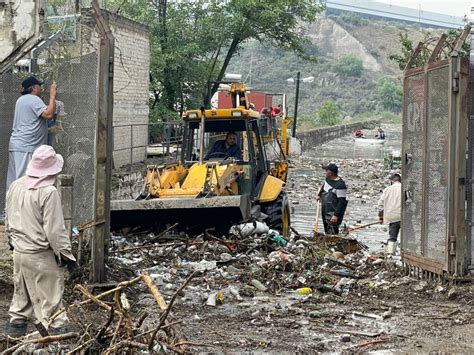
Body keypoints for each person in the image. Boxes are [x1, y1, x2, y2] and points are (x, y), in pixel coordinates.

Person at [4, 145, 77, 337]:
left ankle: (15, 330)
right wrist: (67, 256)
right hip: (40, 255)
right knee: (51, 301)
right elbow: (55, 231)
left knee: (21, 297)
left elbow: (9, 218)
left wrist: (11, 241)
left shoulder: (16, 185)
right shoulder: (48, 192)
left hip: (19, 252)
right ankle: (58, 336)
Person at [6, 76, 57, 191]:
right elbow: (49, 115)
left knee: (14, 182)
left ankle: (9, 208)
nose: (42, 89)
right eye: (40, 86)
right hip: (26, 147)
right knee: (24, 182)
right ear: (33, 88)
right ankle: (22, 208)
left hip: (18, 146)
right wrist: (53, 95)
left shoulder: (22, 100)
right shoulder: (33, 99)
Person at [317, 163, 348, 235]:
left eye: (326, 170)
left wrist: (336, 215)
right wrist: (319, 195)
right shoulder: (327, 179)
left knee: (332, 229)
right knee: (326, 227)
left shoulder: (340, 185)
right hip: (325, 208)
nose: (325, 172)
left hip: (333, 211)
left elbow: (342, 202)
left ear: (330, 173)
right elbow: (324, 186)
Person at [378, 173, 401, 255]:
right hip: (404, 217)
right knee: (408, 237)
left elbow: (380, 204)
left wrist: (381, 216)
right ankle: (407, 253)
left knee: (392, 237)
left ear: (392, 181)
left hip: (392, 217)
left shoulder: (387, 189)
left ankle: (391, 254)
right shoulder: (404, 188)